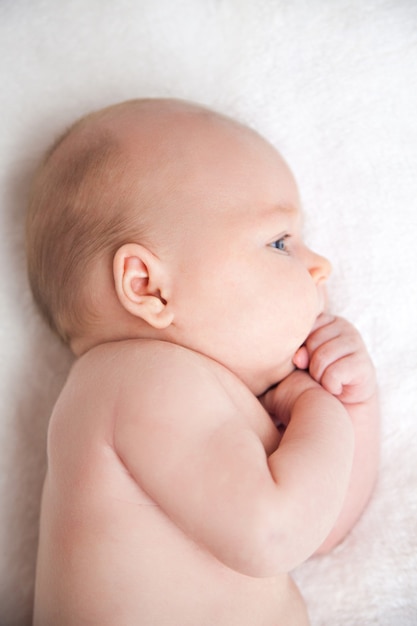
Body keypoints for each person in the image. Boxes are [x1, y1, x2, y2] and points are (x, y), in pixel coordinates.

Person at [26, 98, 380, 626]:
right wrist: (316, 407)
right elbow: (277, 534)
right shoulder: (134, 380)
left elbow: (320, 530)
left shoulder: (207, 400)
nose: (320, 266)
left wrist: (353, 401)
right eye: (280, 241)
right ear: (149, 287)